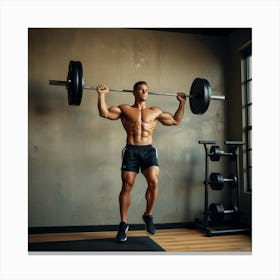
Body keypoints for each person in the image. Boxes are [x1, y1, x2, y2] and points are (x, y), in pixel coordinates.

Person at [96, 81, 186, 242]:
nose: (144, 92)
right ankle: (123, 223)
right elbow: (105, 113)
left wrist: (182, 104)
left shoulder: (155, 112)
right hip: (131, 151)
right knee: (127, 186)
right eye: (141, 90)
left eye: (146, 90)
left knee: (153, 181)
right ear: (134, 92)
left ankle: (148, 215)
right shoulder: (125, 109)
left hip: (148, 151)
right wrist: (102, 95)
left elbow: (175, 121)